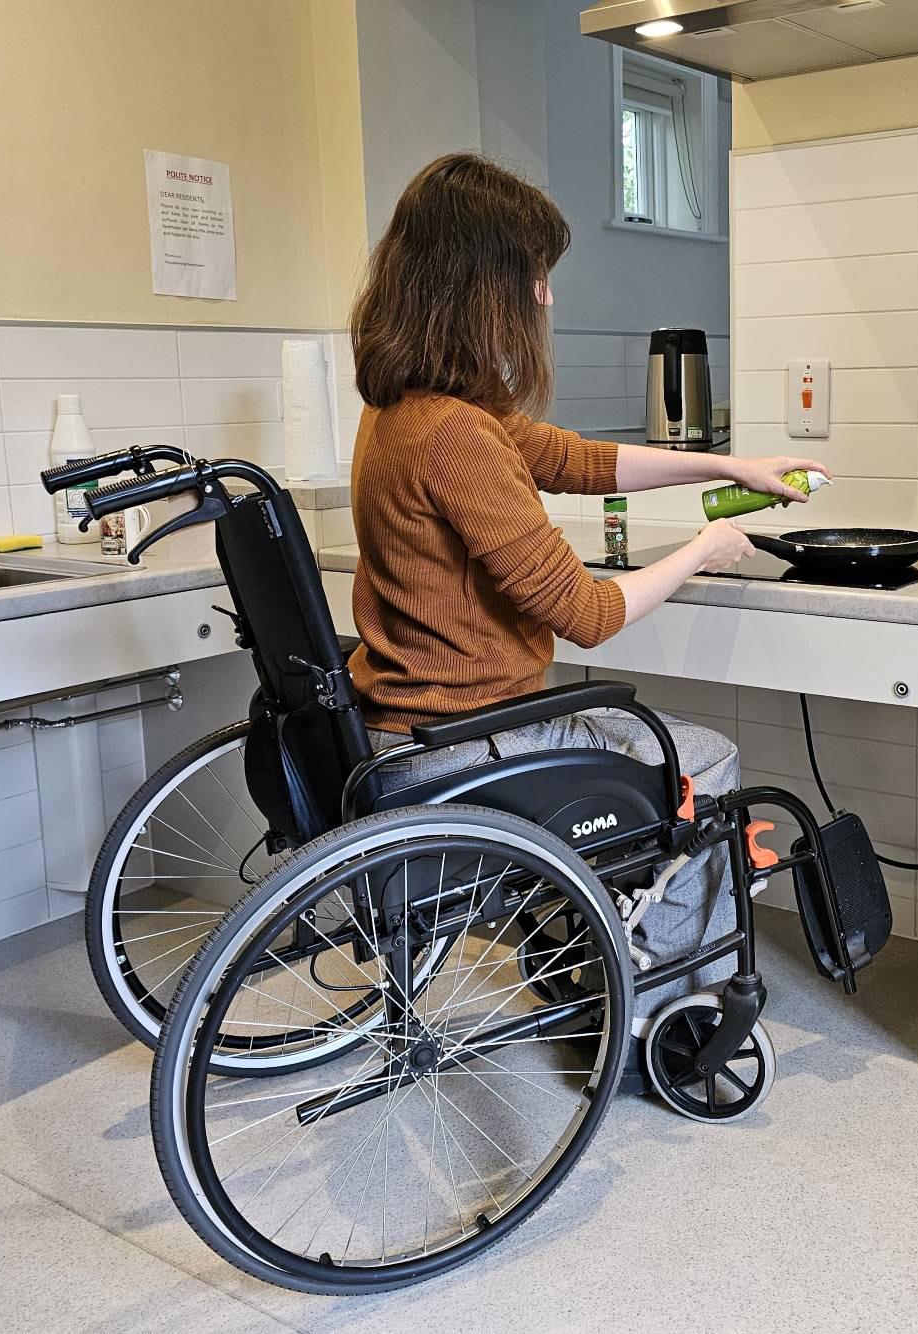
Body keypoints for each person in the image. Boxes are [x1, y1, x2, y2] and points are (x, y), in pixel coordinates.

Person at [346, 153, 828, 1023]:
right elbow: (590, 614)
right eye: (537, 277)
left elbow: (575, 458)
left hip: (405, 726)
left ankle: (606, 942)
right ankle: (657, 999)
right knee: (704, 760)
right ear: (483, 287)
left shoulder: (406, 411)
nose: (548, 299)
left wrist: (728, 463)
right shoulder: (456, 435)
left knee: (638, 744)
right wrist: (702, 549)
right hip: (463, 744)